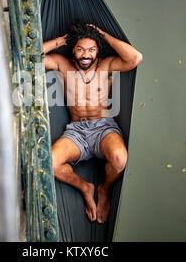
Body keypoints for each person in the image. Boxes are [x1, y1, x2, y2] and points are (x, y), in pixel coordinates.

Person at [43, 22, 143, 223]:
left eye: (91, 49)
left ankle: (104, 189)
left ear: (97, 50)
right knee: (49, 163)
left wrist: (103, 35)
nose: (85, 55)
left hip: (103, 128)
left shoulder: (106, 65)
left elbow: (135, 58)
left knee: (119, 159)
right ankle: (84, 187)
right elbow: (32, 57)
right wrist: (61, 40)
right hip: (76, 132)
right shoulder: (63, 64)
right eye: (80, 49)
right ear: (73, 49)